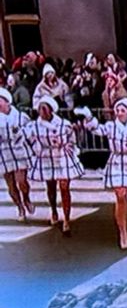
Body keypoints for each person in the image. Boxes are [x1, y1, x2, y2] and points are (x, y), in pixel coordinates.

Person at [80, 98, 127, 250]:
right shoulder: (111, 126)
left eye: (122, 110)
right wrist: (89, 118)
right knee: (120, 195)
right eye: (117, 110)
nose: (119, 113)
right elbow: (97, 130)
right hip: (117, 160)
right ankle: (123, 232)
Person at [22, 96, 83, 235]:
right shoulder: (34, 126)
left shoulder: (64, 124)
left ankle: (66, 219)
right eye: (39, 108)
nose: (41, 111)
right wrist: (36, 150)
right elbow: (28, 139)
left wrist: (70, 146)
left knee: (64, 187)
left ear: (51, 109)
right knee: (51, 187)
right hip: (46, 158)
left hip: (62, 157)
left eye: (44, 108)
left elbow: (72, 139)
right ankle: (54, 210)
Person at [0, 88, 33, 221]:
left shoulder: (20, 116)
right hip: (4, 152)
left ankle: (26, 198)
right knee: (11, 185)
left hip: (19, 151)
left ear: (7, 102)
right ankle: (19, 207)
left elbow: (30, 131)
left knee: (22, 182)